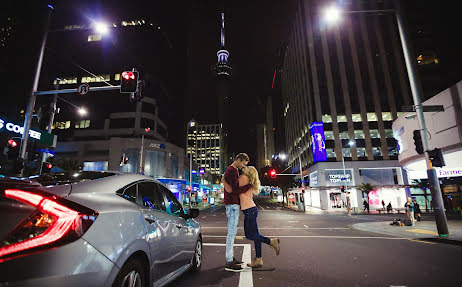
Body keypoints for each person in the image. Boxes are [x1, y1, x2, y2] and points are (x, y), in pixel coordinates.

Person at [223, 166, 280, 269]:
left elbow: (233, 189)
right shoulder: (247, 179)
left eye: (247, 167)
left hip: (249, 211)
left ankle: (271, 242)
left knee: (249, 235)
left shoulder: (243, 178)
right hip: (251, 210)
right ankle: (258, 259)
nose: (245, 167)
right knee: (255, 235)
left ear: (248, 172)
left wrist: (224, 180)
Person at [222, 153, 252, 272]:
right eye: (244, 163)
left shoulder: (232, 170)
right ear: (239, 160)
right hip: (232, 205)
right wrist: (249, 186)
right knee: (231, 233)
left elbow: (232, 188)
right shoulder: (232, 171)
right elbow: (234, 190)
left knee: (232, 232)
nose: (243, 166)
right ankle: (229, 261)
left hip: (232, 204)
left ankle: (231, 258)